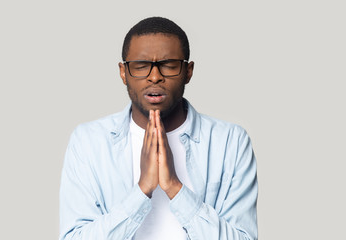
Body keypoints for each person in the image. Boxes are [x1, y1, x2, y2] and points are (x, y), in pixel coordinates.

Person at [59, 17, 258, 240]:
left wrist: (175, 187)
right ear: (123, 73)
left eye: (169, 65)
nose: (155, 77)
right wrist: (142, 189)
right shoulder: (88, 142)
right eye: (141, 66)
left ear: (188, 71)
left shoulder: (231, 141)